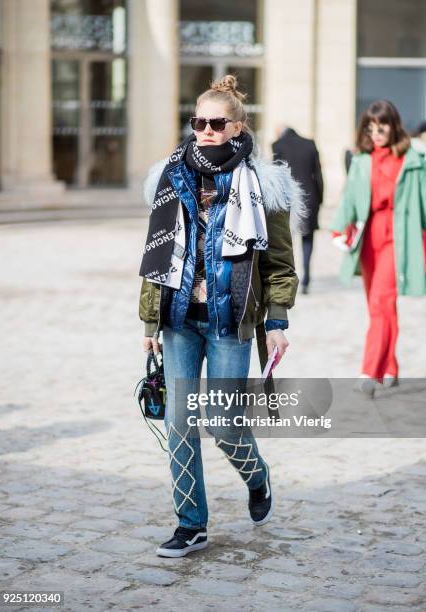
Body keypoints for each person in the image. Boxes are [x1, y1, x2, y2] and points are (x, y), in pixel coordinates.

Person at [138, 75, 304, 557]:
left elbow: (278, 263)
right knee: (179, 423)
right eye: (198, 122)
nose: (205, 130)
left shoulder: (265, 185)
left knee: (224, 420)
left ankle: (257, 477)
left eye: (215, 123)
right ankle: (192, 524)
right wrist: (151, 323)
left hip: (232, 321)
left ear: (237, 127)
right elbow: (157, 252)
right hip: (180, 318)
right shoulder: (170, 176)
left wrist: (277, 322)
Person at [331, 100, 426, 393]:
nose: (376, 132)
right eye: (370, 127)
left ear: (393, 125)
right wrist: (338, 227)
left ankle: (370, 370)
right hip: (369, 239)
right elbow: (349, 198)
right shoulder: (361, 160)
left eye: (381, 125)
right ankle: (391, 367)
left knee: (382, 302)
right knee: (378, 307)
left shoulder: (413, 160)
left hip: (400, 237)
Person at [272, 126, 323, 294]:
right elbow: (319, 175)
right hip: (310, 196)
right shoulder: (310, 144)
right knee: (308, 239)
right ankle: (306, 279)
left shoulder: (278, 145)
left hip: (287, 198)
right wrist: (320, 198)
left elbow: (276, 176)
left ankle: (288, 277)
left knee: (286, 241)